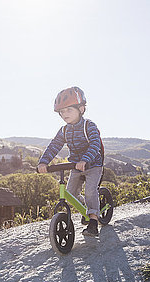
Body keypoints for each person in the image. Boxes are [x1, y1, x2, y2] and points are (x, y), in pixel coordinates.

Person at [37, 86, 104, 237]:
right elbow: (54, 146)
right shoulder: (64, 130)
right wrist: (43, 162)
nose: (64, 114)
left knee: (90, 191)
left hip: (93, 165)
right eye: (62, 111)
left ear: (81, 109)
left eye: (69, 110)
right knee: (71, 194)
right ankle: (87, 206)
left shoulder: (89, 126)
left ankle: (93, 220)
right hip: (75, 166)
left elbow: (95, 144)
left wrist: (85, 159)